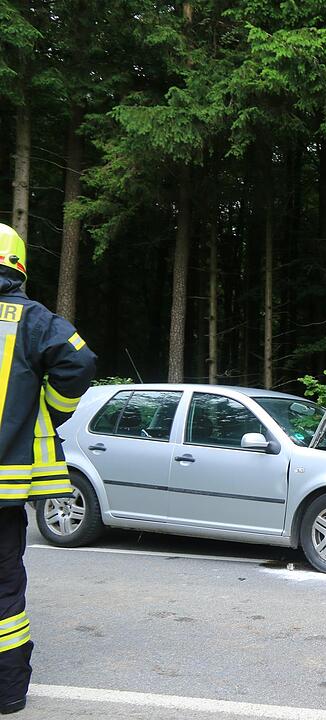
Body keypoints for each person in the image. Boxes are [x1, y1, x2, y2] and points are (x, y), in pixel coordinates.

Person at [0, 223, 96, 714]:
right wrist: (50, 408)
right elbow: (79, 363)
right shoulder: (33, 320)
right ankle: (8, 691)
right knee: (4, 588)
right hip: (6, 489)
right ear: (18, 267)